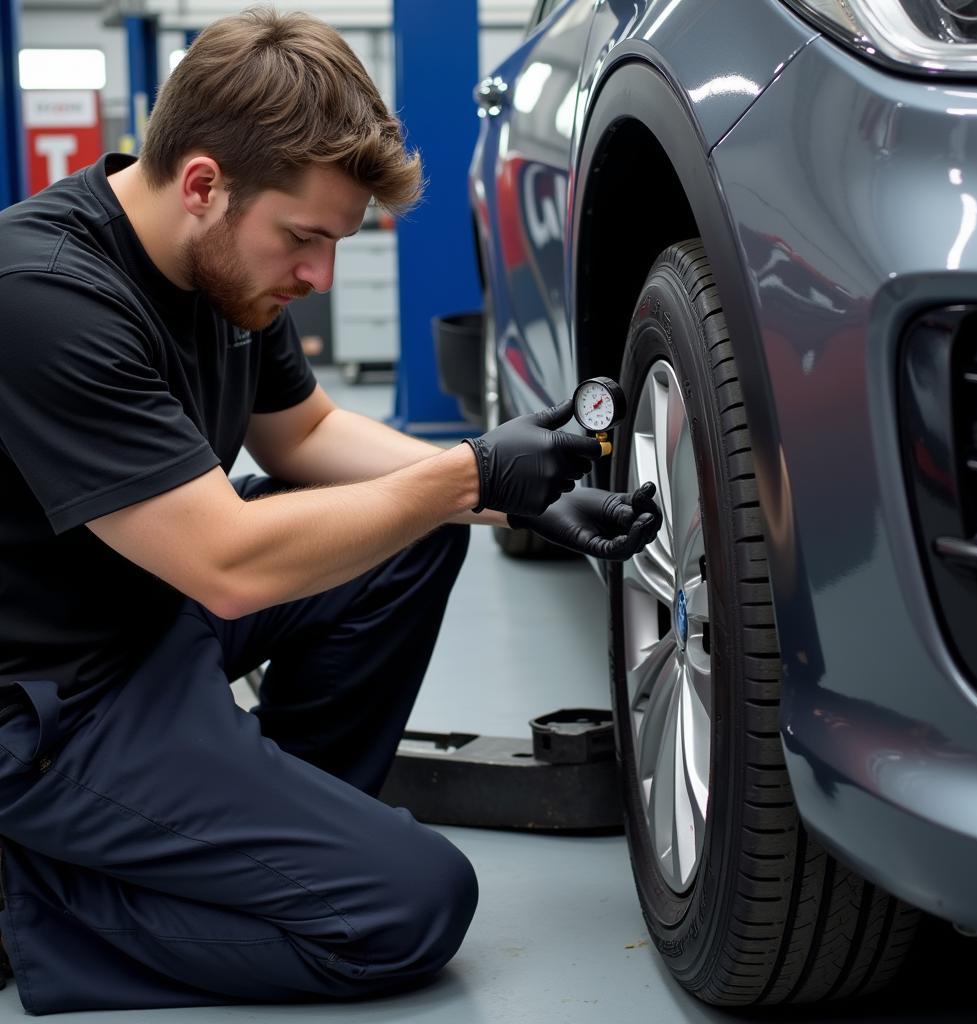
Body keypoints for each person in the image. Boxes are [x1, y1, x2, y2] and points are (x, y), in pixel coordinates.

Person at [0, 7, 662, 1015]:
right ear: (204, 184)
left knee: (409, 535)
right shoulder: (46, 298)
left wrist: (515, 497)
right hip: (51, 707)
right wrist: (472, 472)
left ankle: (263, 829)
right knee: (408, 910)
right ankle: (26, 902)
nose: (318, 277)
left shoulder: (222, 269)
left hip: (144, 613)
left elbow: (301, 437)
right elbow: (227, 561)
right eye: (304, 238)